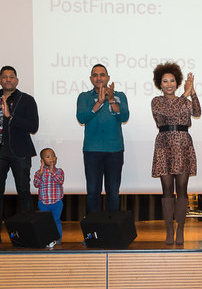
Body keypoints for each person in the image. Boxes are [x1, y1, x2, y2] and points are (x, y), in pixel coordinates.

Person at [0, 66, 39, 245]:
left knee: (24, 192)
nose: (8, 79)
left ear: (17, 80)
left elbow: (33, 126)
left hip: (21, 152)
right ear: (0, 81)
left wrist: (10, 117)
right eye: (4, 77)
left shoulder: (27, 100)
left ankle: (28, 234)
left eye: (11, 76)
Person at [151, 62, 201, 245]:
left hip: (183, 145)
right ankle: (169, 229)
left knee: (182, 189)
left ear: (177, 82)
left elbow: (197, 112)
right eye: (165, 81)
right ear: (160, 83)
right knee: (166, 189)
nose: (169, 84)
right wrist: (185, 94)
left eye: (172, 80)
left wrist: (192, 92)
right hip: (164, 144)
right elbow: (169, 112)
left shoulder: (185, 101)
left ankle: (180, 228)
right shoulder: (157, 101)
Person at [76, 64, 130, 212]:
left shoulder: (120, 96)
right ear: (91, 79)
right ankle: (94, 225)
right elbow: (81, 118)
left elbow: (124, 117)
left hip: (114, 150)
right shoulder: (84, 97)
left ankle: (112, 225)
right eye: (95, 75)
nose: (99, 78)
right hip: (92, 151)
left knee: (113, 193)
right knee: (93, 192)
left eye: (102, 75)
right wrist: (99, 102)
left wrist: (111, 100)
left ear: (108, 78)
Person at [33, 147, 64, 243]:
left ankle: (58, 238)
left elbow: (60, 181)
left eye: (53, 156)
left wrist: (52, 171)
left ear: (56, 158)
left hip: (56, 202)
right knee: (45, 222)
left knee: (56, 220)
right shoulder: (39, 173)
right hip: (43, 202)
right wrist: (40, 172)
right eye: (48, 157)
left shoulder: (59, 171)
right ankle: (47, 238)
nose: (51, 158)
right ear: (42, 161)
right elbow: (36, 184)